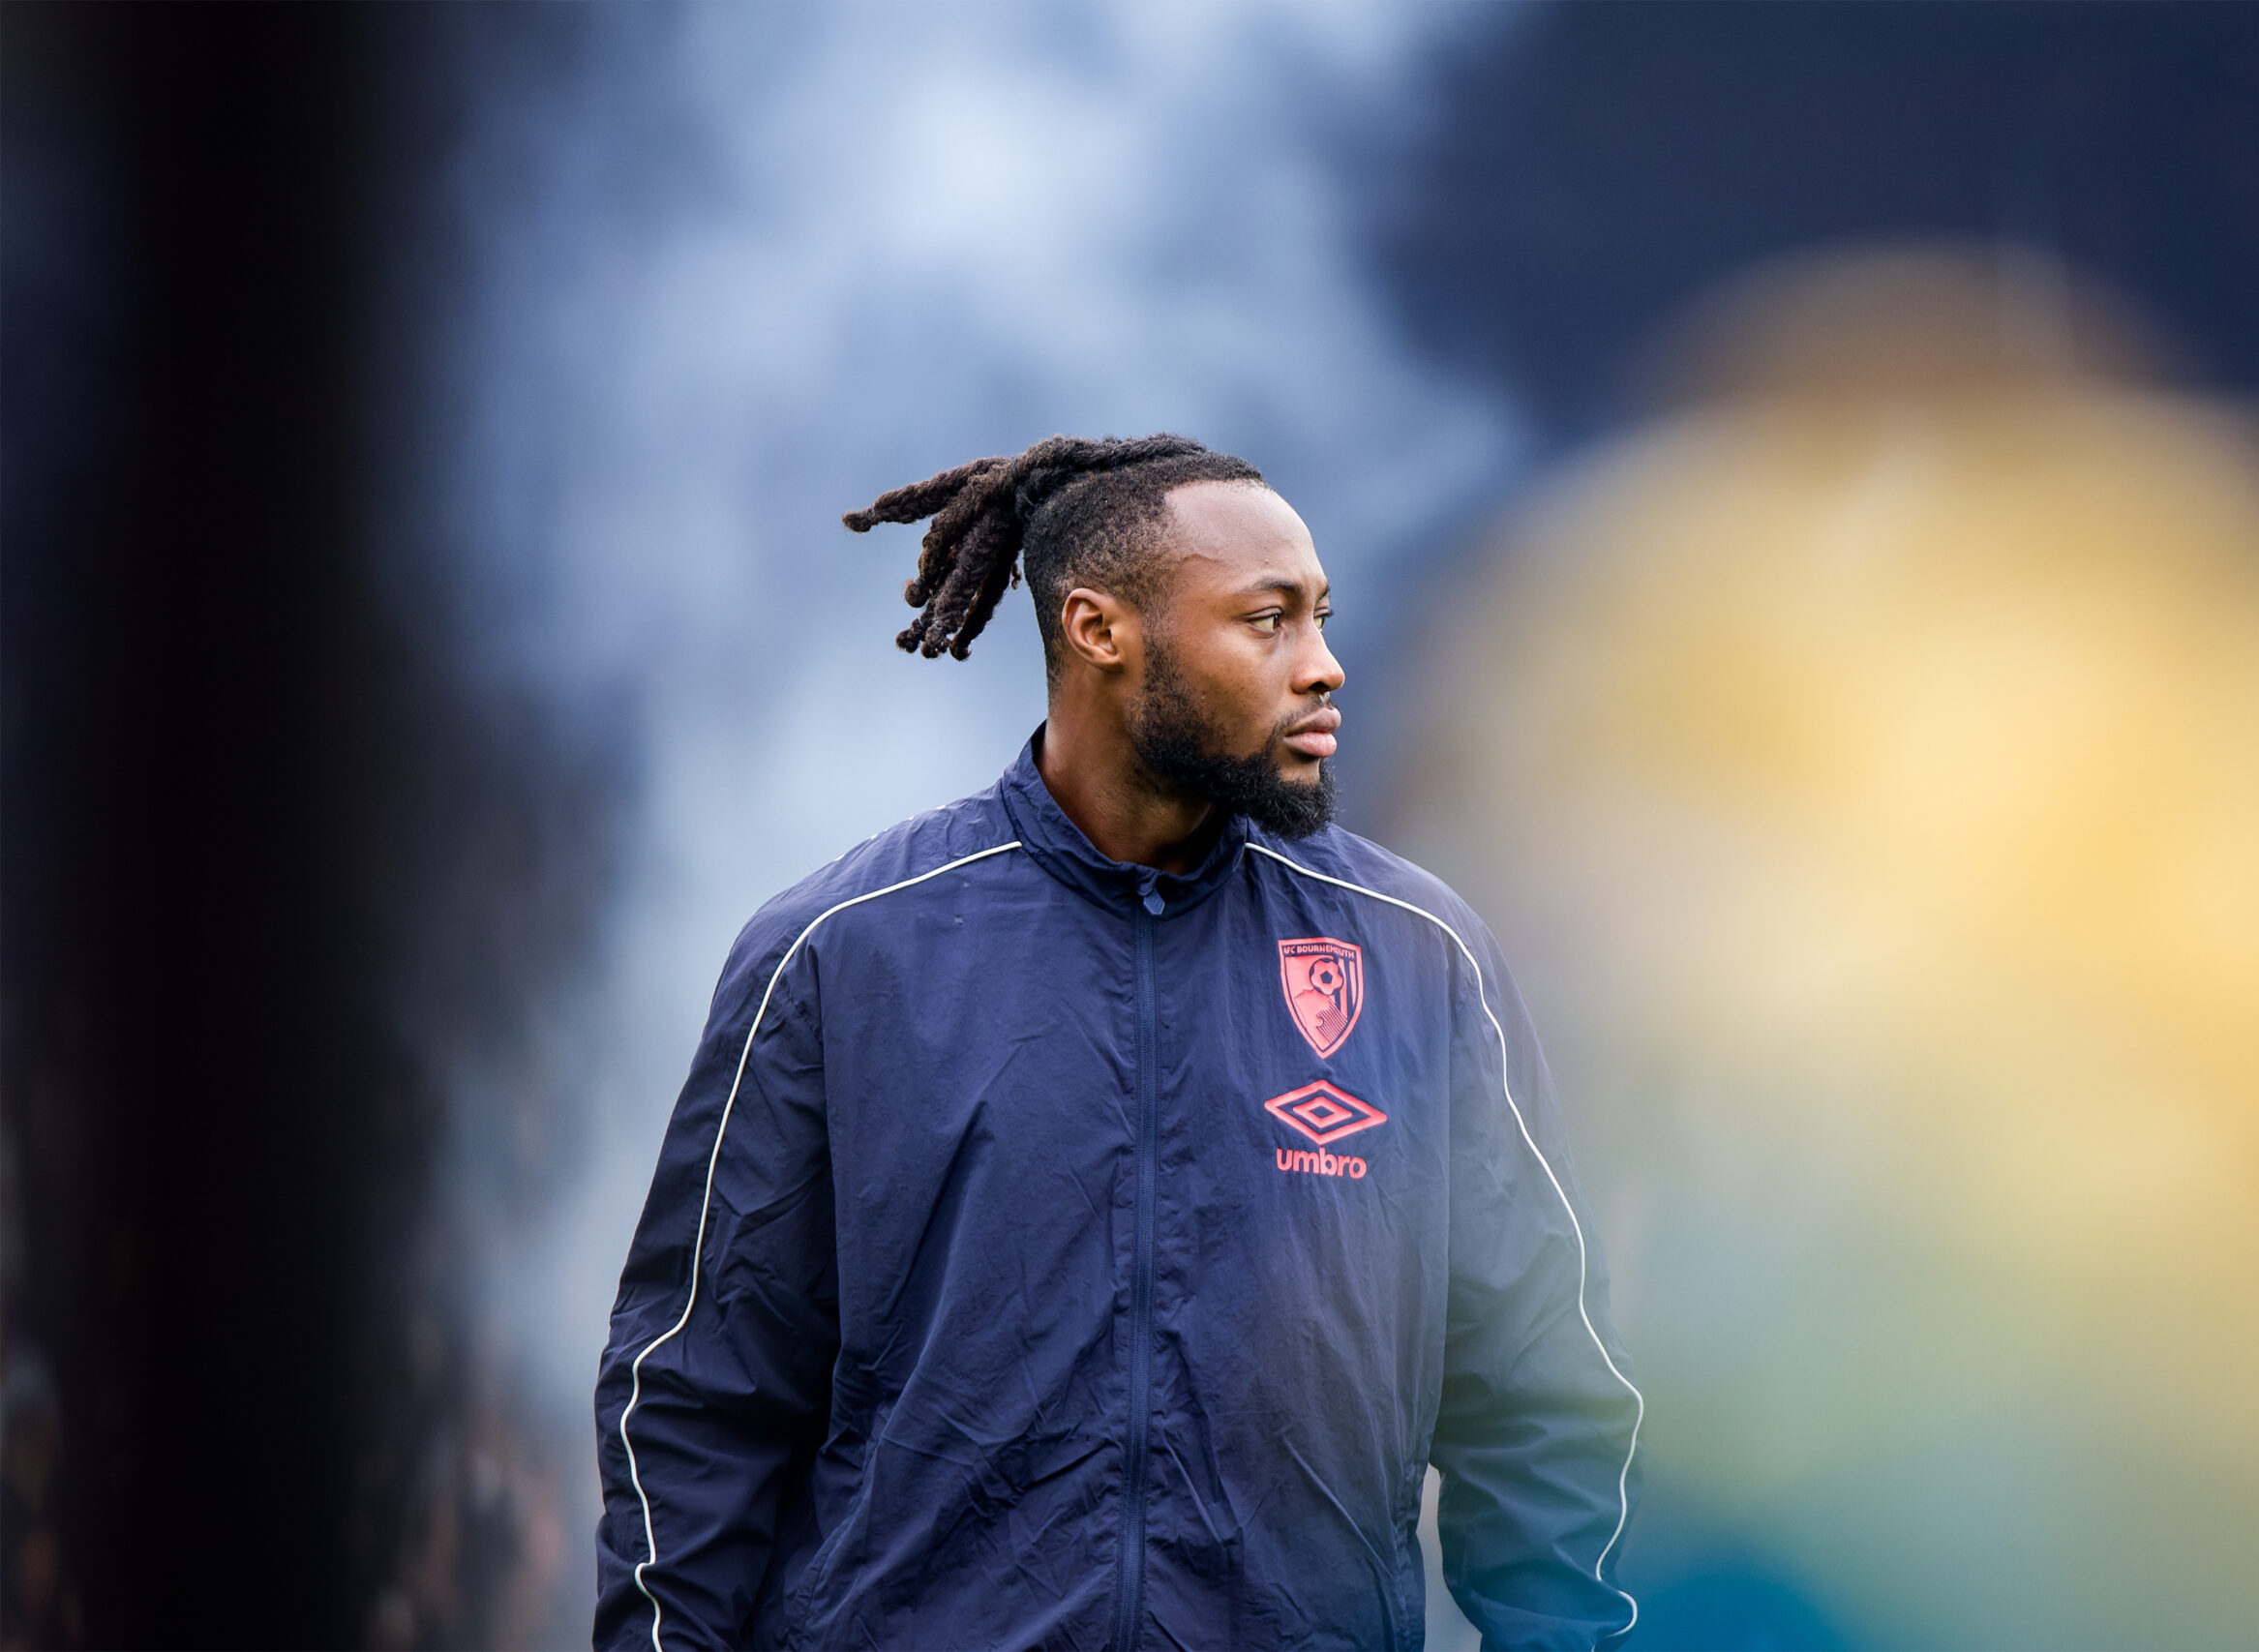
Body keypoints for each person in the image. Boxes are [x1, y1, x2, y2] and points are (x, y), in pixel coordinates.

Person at [592, 435, 1643, 1650]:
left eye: (1323, 619)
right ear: (1099, 631)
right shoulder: (840, 953)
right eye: (1269, 622)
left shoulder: (1419, 959)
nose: (1324, 668)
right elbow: (695, 1398)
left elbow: (1541, 1397)